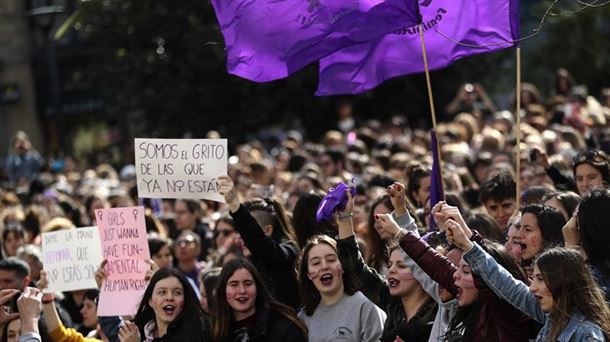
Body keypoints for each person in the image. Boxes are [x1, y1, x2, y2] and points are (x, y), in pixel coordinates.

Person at [376, 203, 538, 341]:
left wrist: (469, 241)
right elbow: (433, 264)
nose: (454, 274)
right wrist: (401, 227)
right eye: (457, 268)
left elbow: (492, 272)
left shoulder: (506, 313)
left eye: (466, 270)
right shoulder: (473, 305)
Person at [447, 219, 610, 341]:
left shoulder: (587, 335)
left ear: (563, 281)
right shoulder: (551, 316)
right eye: (534, 279)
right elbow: (504, 282)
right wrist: (467, 245)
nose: (532, 288)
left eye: (540, 279)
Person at [336, 186, 437, 342]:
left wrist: (400, 209)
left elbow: (418, 252)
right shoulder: (391, 302)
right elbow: (354, 268)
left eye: (402, 265)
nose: (391, 271)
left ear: (421, 271)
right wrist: (344, 217)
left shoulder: (440, 309)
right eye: (390, 265)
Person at [219, 175, 301, 309]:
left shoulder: (289, 250)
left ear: (267, 230)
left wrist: (235, 204)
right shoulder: (248, 263)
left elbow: (262, 246)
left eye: (247, 231)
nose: (240, 237)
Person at [297, 234, 387, 342]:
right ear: (308, 274)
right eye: (316, 263)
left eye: (331, 260)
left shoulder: (366, 306)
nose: (324, 266)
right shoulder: (303, 317)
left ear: (344, 266)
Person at [212, 258, 307, 341]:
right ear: (223, 290)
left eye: (248, 283)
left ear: (257, 288)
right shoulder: (217, 333)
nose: (242, 290)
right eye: (234, 284)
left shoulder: (284, 329)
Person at [118, 268, 210, 342]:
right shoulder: (136, 332)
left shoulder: (194, 336)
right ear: (150, 301)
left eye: (177, 292)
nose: (169, 297)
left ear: (185, 300)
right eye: (162, 292)